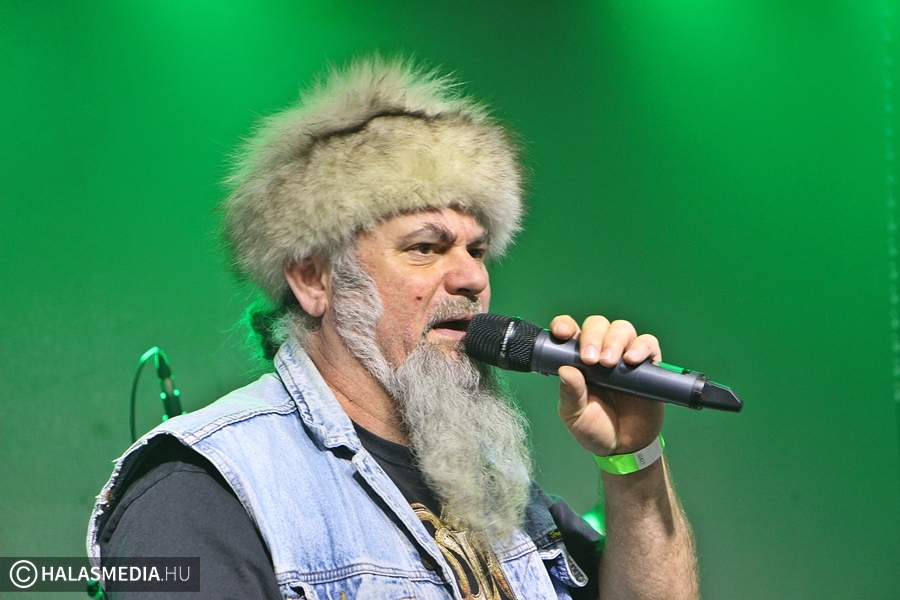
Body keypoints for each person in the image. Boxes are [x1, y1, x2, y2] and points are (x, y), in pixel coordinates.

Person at [87, 56, 698, 599]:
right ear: (313, 279)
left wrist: (634, 461)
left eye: (477, 250)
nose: (472, 278)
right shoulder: (202, 488)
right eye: (426, 248)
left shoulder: (499, 494)